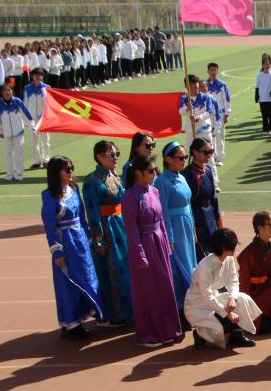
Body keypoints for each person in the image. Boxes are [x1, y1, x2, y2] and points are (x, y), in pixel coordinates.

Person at [121, 154, 183, 347]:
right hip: (145, 245)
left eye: (155, 170)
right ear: (138, 173)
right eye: (150, 171)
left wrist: (166, 243)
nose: (154, 174)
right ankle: (149, 334)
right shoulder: (130, 197)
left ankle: (168, 330)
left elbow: (161, 220)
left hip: (159, 244)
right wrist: (140, 255)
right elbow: (131, 230)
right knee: (149, 291)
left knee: (165, 287)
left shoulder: (154, 191)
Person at [40, 156, 103, 340]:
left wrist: (89, 239)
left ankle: (87, 313)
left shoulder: (74, 189)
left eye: (72, 168)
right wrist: (57, 251)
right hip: (65, 242)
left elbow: (82, 217)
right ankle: (71, 325)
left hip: (80, 242)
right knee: (68, 283)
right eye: (67, 169)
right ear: (56, 172)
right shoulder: (49, 195)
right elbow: (50, 225)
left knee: (87, 277)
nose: (71, 172)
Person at [82, 140, 133, 326]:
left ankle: (126, 311)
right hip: (107, 228)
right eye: (112, 154)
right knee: (111, 272)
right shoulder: (92, 181)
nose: (115, 158)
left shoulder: (115, 176)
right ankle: (111, 314)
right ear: (99, 156)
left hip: (120, 226)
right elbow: (92, 211)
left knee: (125, 268)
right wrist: (99, 239)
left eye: (117, 154)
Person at [185, 227, 261, 350]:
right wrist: (228, 314)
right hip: (198, 305)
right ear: (224, 247)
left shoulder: (229, 259)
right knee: (225, 321)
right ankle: (200, 333)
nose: (235, 248)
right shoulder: (204, 267)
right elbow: (207, 297)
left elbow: (233, 281)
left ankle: (236, 335)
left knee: (242, 299)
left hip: (216, 297)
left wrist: (232, 298)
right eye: (233, 245)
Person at [154, 141, 197, 320]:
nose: (184, 160)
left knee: (190, 264)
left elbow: (188, 204)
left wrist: (193, 229)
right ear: (168, 159)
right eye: (180, 157)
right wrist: (169, 238)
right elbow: (163, 212)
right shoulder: (161, 182)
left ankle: (191, 305)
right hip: (175, 228)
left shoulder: (182, 177)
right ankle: (179, 309)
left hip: (186, 227)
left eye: (185, 157)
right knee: (178, 268)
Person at [183, 138, 222, 261]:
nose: (209, 155)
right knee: (203, 256)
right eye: (205, 152)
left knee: (215, 253)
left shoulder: (208, 170)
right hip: (198, 219)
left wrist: (218, 220)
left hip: (210, 218)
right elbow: (187, 202)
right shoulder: (187, 174)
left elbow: (213, 198)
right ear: (195, 152)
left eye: (211, 152)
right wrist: (192, 224)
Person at [0, 83, 33, 182]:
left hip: (18, 132)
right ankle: (9, 174)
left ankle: (19, 174)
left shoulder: (18, 101)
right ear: (2, 93)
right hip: (6, 133)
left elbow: (26, 113)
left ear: (12, 91)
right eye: (5, 91)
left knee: (19, 154)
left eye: (9, 90)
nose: (7, 92)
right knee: (7, 155)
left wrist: (32, 125)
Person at [24, 68, 51, 169]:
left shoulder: (47, 88)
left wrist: (48, 116)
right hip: (32, 119)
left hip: (44, 118)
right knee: (34, 141)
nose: (38, 77)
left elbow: (50, 103)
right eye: (35, 75)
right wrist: (26, 119)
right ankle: (37, 161)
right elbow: (25, 103)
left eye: (40, 75)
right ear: (32, 76)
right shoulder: (27, 88)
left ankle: (46, 160)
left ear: (42, 76)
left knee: (45, 141)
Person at [205, 63, 231, 166]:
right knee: (209, 135)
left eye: (215, 70)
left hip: (219, 114)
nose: (213, 72)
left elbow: (227, 99)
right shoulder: (204, 85)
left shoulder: (222, 84)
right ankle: (212, 156)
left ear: (217, 71)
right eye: (211, 70)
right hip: (207, 115)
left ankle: (220, 158)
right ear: (207, 71)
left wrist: (227, 113)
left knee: (220, 136)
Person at [255, 56, 271, 136]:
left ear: (270, 65)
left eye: (268, 64)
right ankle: (265, 130)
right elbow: (257, 87)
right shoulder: (259, 75)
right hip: (262, 99)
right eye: (265, 64)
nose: (267, 65)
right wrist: (256, 96)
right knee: (264, 116)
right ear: (262, 65)